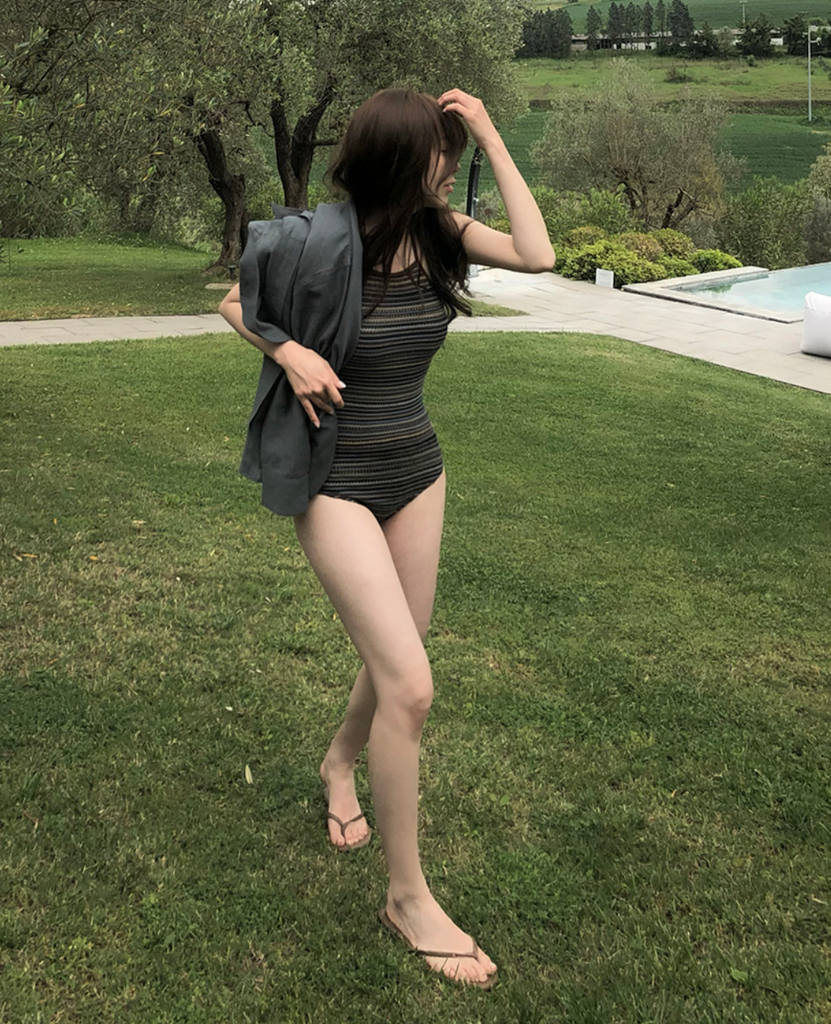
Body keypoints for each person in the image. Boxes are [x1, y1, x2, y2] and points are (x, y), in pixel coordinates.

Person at [219, 87, 554, 990]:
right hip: (335, 479)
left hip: (416, 470)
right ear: (401, 161)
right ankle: (407, 898)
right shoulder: (312, 241)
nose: (449, 168)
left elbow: (539, 254)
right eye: (442, 154)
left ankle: (338, 762)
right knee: (409, 683)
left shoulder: (442, 235)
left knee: (395, 654)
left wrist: (489, 134)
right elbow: (233, 302)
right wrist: (287, 350)